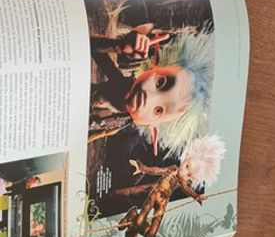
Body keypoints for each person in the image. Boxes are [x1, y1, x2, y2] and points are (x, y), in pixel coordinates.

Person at [88, 25, 214, 155]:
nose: (149, 98)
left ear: (154, 126)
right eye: (160, 82)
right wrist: (117, 46)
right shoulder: (122, 86)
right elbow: (90, 46)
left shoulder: (125, 121)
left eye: (158, 110)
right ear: (154, 67)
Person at [114, 134, 225, 237]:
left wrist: (196, 197)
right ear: (186, 157)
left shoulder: (182, 182)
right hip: (154, 195)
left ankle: (133, 223)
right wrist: (143, 168)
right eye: (187, 167)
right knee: (139, 222)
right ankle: (133, 217)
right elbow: (157, 170)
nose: (184, 174)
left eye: (189, 175)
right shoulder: (172, 169)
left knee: (151, 234)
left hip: (163, 202)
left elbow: (187, 189)